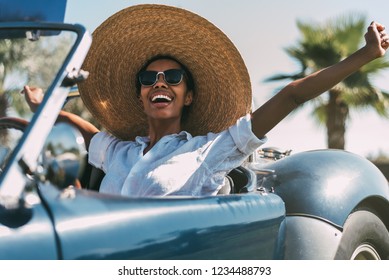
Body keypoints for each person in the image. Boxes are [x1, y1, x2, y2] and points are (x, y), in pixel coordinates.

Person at [22, 4, 389, 197]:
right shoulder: (120, 152)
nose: (159, 82)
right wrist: (44, 108)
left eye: (173, 77)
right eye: (148, 78)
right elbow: (87, 134)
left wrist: (363, 55)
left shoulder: (209, 151)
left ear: (189, 95)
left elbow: (291, 95)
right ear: (141, 93)